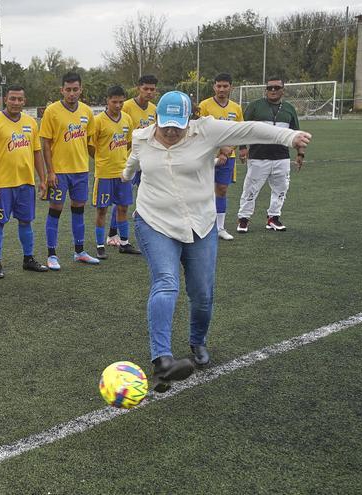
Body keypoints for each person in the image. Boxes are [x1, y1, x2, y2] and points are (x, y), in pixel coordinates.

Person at [122, 91, 311, 392]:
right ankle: (162, 361)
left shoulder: (207, 131)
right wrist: (127, 173)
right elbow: (133, 160)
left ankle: (198, 341)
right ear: (156, 118)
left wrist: (289, 138)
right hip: (155, 220)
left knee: (202, 293)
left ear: (189, 119)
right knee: (166, 281)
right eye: (166, 124)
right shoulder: (141, 137)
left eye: (178, 125)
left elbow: (249, 129)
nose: (171, 131)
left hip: (200, 222)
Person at [0, 85, 49, 278]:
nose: (16, 103)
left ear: (24, 101)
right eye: (12, 99)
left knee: (26, 221)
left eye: (20, 99)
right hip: (2, 184)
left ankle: (28, 259)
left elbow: (37, 152)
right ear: (5, 99)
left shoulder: (31, 123)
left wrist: (42, 179)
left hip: (26, 182)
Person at [39, 72, 98, 270]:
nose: (72, 93)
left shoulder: (87, 112)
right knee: (55, 210)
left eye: (75, 89)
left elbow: (90, 142)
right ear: (62, 90)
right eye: (68, 89)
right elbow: (45, 143)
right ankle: (51, 254)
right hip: (59, 172)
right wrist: (50, 172)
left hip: (81, 170)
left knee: (79, 211)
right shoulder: (52, 111)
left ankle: (80, 251)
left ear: (81, 89)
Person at [237, 77, 303, 233]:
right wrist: (242, 148)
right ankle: (244, 219)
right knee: (250, 189)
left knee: (281, 189)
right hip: (258, 156)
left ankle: (273, 218)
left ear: (283, 90)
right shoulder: (255, 106)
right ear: (265, 90)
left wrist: (300, 154)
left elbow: (296, 134)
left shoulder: (289, 109)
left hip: (282, 157)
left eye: (276, 88)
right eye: (269, 88)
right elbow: (242, 129)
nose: (273, 90)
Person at [89, 85, 139, 260]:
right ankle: (100, 245)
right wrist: (102, 161)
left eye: (121, 101)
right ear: (107, 101)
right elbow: (90, 146)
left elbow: (129, 142)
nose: (118, 105)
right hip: (104, 174)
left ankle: (124, 243)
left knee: (123, 207)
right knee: (102, 210)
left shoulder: (127, 119)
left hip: (122, 173)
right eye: (114, 102)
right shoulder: (98, 121)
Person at [109, 74, 158, 247]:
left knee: (146, 194)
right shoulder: (126, 106)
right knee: (122, 198)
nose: (149, 92)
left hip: (148, 160)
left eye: (152, 89)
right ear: (139, 88)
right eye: (146, 88)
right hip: (130, 159)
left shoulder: (154, 109)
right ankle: (112, 233)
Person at [198, 73, 244, 241]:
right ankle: (202, 226)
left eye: (225, 86)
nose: (222, 89)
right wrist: (218, 150)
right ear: (214, 87)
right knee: (203, 190)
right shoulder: (204, 106)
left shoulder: (236, 108)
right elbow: (199, 132)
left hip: (228, 157)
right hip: (207, 156)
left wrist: (227, 151)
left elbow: (240, 133)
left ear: (231, 87)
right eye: (219, 86)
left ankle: (220, 228)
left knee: (222, 190)